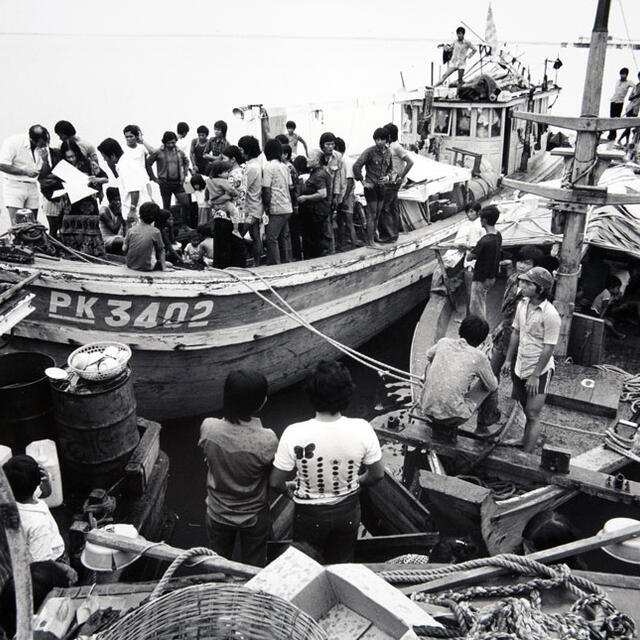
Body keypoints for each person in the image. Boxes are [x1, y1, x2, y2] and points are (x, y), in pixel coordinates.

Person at [270, 361, 385, 563]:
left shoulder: (294, 432)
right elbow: (377, 475)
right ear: (348, 394)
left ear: (310, 396)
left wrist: (290, 491)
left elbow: (275, 482)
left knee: (307, 566)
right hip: (347, 511)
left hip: (308, 514)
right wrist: (355, 483)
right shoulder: (362, 428)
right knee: (342, 564)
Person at [199, 370, 277, 567]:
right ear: (261, 403)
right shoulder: (267, 439)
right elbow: (272, 476)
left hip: (217, 510)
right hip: (253, 514)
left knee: (216, 564)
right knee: (254, 566)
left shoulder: (209, 428)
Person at [1, 455, 75, 639]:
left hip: (37, 558)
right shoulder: (37, 524)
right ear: (35, 482)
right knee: (62, 593)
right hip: (52, 561)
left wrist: (47, 482)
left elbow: (44, 494)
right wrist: (63, 568)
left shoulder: (15, 502)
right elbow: (42, 564)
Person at [502, 267, 560, 452]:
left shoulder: (550, 314)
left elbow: (549, 347)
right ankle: (525, 439)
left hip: (539, 369)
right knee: (524, 406)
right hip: (520, 364)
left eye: (528, 283)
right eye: (523, 282)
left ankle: (526, 454)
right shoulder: (522, 305)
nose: (522, 285)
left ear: (540, 289)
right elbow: (516, 332)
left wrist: (535, 375)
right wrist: (508, 360)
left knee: (533, 413)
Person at [419, 315, 498, 430]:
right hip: (453, 417)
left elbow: (428, 355)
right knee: (491, 383)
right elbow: (492, 386)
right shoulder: (479, 357)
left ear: (460, 330)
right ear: (481, 340)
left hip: (425, 408)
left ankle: (433, 397)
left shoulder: (444, 342)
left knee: (431, 362)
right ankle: (483, 426)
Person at [58, 139, 108, 257]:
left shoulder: (89, 163)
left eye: (73, 156)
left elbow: (105, 178)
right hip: (70, 204)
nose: (71, 159)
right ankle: (71, 255)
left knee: (90, 230)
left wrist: (95, 179)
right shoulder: (62, 167)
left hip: (88, 204)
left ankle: (92, 255)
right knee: (69, 229)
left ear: (77, 153)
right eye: (68, 157)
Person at [0, 125, 50, 224]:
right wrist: (25, 172)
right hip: (14, 185)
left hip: (32, 185)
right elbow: (2, 165)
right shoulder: (13, 142)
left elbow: (44, 174)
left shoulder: (43, 147)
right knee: (17, 223)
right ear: (32, 139)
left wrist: (45, 161)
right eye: (40, 143)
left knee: (32, 224)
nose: (43, 145)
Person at [352, 128, 394, 246]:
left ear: (386, 140)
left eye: (382, 139)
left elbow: (390, 169)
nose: (379, 142)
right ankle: (370, 241)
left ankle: (375, 237)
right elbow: (357, 166)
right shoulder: (369, 152)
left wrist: (387, 177)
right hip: (370, 187)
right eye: (377, 139)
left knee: (378, 213)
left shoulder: (388, 152)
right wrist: (363, 182)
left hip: (381, 186)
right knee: (372, 214)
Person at [380, 123, 414, 243]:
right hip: (390, 181)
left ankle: (389, 235)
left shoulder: (396, 147)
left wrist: (401, 176)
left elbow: (410, 162)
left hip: (393, 182)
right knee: (393, 207)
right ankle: (395, 233)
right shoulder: (390, 147)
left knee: (385, 208)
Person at [467, 205, 502, 320]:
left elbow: (469, 258)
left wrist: (466, 248)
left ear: (484, 220)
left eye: (481, 218)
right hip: (491, 277)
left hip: (480, 279)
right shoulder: (498, 236)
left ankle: (480, 331)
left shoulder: (484, 241)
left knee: (476, 308)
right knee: (482, 302)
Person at [263, 139, 293, 265]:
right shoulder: (285, 167)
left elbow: (266, 189)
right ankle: (286, 261)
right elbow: (290, 186)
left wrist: (266, 205)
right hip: (287, 205)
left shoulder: (269, 168)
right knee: (283, 236)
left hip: (276, 206)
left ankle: (275, 263)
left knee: (271, 237)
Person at [298, 149, 332, 259]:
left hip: (316, 212)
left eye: (310, 157)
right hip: (318, 211)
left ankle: (313, 260)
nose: (307, 159)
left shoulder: (319, 174)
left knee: (313, 240)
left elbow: (322, 194)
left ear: (317, 160)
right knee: (316, 239)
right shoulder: (318, 172)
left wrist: (305, 197)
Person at [147, 131, 191, 217]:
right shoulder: (158, 152)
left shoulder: (179, 151)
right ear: (164, 142)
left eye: (173, 143)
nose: (171, 145)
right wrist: (154, 178)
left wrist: (184, 174)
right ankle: (166, 227)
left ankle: (184, 226)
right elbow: (148, 163)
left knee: (186, 204)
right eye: (169, 143)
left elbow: (186, 161)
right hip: (165, 183)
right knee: (166, 207)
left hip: (178, 183)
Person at [237, 135, 265, 266]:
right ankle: (257, 263)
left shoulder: (251, 167)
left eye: (242, 150)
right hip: (255, 207)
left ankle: (240, 262)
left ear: (248, 150)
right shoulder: (255, 165)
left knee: (239, 234)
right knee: (255, 236)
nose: (241, 153)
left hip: (251, 210)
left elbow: (243, 187)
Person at [119, 125, 155, 222]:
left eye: (131, 136)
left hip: (143, 179)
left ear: (136, 136)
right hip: (130, 181)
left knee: (147, 204)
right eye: (126, 137)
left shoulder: (141, 148)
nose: (129, 139)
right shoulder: (123, 149)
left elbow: (154, 153)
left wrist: (142, 140)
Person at [319, 132, 346, 252]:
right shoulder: (318, 156)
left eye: (332, 144)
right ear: (322, 145)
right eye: (327, 144)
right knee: (321, 222)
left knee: (329, 221)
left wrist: (336, 196)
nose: (330, 147)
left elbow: (338, 178)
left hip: (330, 195)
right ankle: (323, 248)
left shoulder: (338, 157)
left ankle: (331, 249)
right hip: (320, 193)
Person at [334, 137, 360, 251]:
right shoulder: (339, 162)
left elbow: (350, 182)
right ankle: (341, 244)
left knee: (349, 222)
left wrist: (345, 198)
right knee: (340, 221)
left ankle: (353, 246)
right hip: (341, 196)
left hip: (347, 196)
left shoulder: (348, 162)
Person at [123, 201, 166, 271]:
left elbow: (124, 249)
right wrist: (164, 268)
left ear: (140, 214)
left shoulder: (131, 230)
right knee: (169, 264)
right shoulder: (156, 231)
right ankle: (164, 267)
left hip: (130, 265)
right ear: (154, 217)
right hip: (147, 267)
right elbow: (161, 250)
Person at [608, 67, 634, 141]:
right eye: (621, 74)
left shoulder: (629, 82)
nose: (622, 76)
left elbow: (635, 86)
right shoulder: (617, 82)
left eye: (624, 74)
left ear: (626, 75)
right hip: (613, 101)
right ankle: (611, 135)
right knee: (611, 118)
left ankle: (613, 135)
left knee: (617, 118)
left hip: (620, 102)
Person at [99, 187, 126, 254]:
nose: (118, 202)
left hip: (119, 238)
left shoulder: (120, 210)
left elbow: (125, 227)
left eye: (119, 200)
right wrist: (120, 216)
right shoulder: (104, 211)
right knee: (128, 241)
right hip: (107, 240)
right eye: (115, 200)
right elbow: (114, 230)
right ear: (109, 200)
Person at [618, 72, 640, 147]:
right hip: (630, 107)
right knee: (628, 126)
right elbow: (629, 98)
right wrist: (637, 95)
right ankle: (623, 140)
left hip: (636, 108)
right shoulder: (636, 86)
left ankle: (623, 140)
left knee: (630, 126)